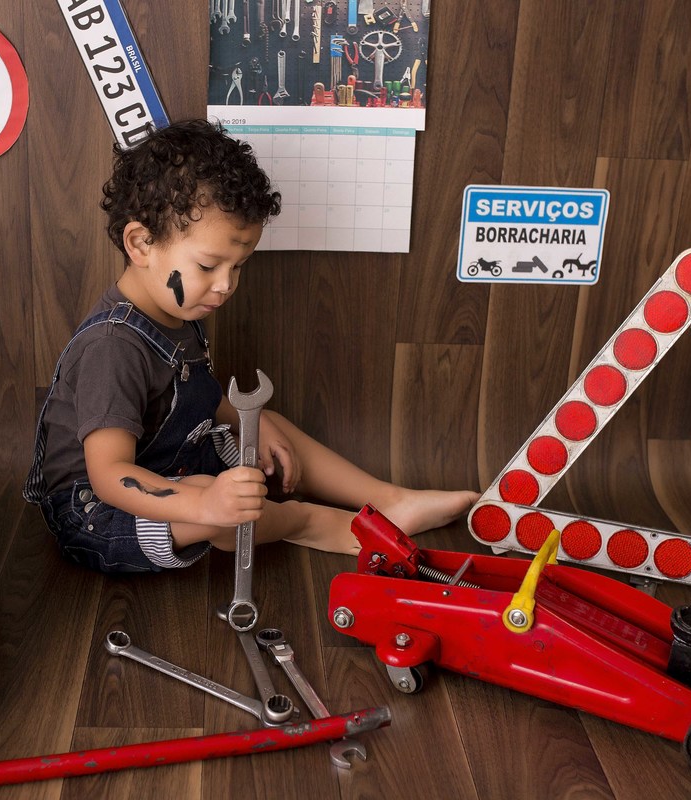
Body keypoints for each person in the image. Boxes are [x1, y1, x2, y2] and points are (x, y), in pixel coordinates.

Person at [24, 119, 477, 573]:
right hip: (99, 514)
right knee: (220, 506)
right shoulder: (112, 347)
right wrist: (205, 505)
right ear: (141, 243)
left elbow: (192, 395)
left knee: (265, 423)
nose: (224, 286)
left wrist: (248, 423)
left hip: (168, 461)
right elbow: (111, 476)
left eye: (238, 267)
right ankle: (309, 522)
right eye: (208, 265)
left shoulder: (177, 309)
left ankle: (388, 500)